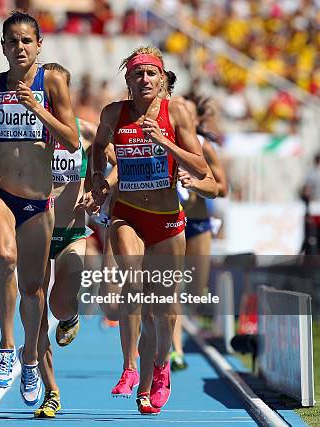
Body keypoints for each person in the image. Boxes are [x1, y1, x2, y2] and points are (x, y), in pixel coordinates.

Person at [90, 46, 216, 415]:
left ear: (162, 80)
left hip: (167, 220)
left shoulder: (175, 113)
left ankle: (160, 367)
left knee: (165, 310)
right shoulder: (114, 112)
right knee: (131, 283)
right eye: (136, 75)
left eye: (150, 74)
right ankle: (130, 368)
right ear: (128, 81)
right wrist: (98, 177)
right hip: (127, 213)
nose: (143, 80)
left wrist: (164, 141)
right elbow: (98, 146)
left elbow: (202, 167)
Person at [0, 11, 79, 406]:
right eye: (11, 41)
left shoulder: (50, 83)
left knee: (34, 291)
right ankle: (5, 347)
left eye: (26, 41)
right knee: (4, 256)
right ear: (2, 46)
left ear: (38, 45)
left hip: (37, 201)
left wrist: (38, 109)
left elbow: (71, 139)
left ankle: (29, 361)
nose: (19, 47)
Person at [33, 62, 93, 418]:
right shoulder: (28, 130)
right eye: (48, 94)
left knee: (59, 307)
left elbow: (114, 163)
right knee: (37, 314)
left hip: (72, 232)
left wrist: (99, 191)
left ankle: (69, 317)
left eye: (60, 93)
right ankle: (51, 392)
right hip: (34, 230)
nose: (54, 99)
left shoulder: (85, 132)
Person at [171, 96, 228, 371]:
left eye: (188, 113)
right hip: (171, 223)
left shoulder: (204, 146)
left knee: (194, 291)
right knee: (172, 290)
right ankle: (177, 351)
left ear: (195, 120)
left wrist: (194, 183)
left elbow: (223, 187)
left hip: (198, 224)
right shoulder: (163, 142)